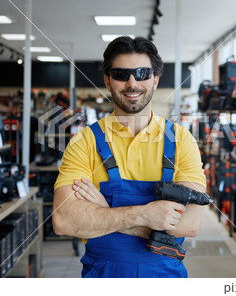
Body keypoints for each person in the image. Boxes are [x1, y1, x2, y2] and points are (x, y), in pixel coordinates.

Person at [52, 36, 206, 278]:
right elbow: (64, 220)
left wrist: (105, 211)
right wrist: (146, 215)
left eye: (142, 73)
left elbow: (189, 224)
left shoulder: (181, 140)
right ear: (107, 80)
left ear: (155, 80)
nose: (132, 83)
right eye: (121, 74)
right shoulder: (85, 141)